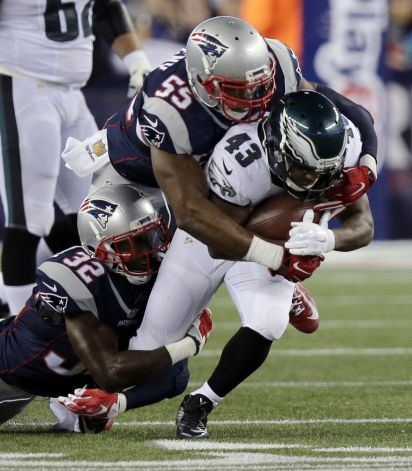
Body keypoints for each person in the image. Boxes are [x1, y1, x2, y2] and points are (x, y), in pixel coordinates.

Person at [58, 91, 374, 439]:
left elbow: (363, 221)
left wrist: (328, 239)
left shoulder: (344, 150)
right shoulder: (240, 160)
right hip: (213, 235)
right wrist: (281, 258)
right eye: (303, 169)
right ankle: (109, 399)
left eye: (321, 173)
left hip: (269, 239)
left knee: (267, 323)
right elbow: (219, 243)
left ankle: (202, 403)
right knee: (149, 349)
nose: (313, 181)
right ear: (277, 144)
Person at [62, 15, 378, 277]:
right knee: (142, 265)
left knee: (275, 176)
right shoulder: (169, 110)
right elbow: (191, 214)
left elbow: (345, 108)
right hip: (136, 176)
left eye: (261, 86)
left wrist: (367, 165)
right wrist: (276, 257)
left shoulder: (276, 58)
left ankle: (270, 290)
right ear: (203, 82)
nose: (256, 101)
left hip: (201, 162)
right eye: (239, 91)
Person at [0, 183, 212, 433]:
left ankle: (74, 402)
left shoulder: (160, 277)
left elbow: (173, 378)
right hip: (8, 372)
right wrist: (190, 343)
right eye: (130, 244)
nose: (146, 252)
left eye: (149, 237)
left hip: (62, 381)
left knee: (173, 375)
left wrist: (117, 403)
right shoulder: (76, 279)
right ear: (97, 249)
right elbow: (110, 373)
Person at [0, 0, 153, 316]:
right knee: (29, 219)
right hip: (20, 84)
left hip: (72, 94)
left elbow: (106, 7)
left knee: (92, 214)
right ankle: (15, 334)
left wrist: (136, 60)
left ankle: (9, 292)